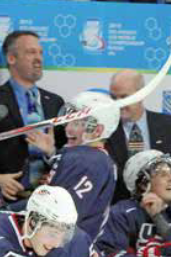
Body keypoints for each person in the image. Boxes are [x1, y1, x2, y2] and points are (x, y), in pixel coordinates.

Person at [0, 31, 65, 201]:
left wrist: (51, 154)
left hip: (48, 200)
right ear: (11, 58)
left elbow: (67, 152)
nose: (39, 58)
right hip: (3, 199)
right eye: (31, 52)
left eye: (40, 52)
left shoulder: (55, 102)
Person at [104, 69, 171, 205]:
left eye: (124, 97)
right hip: (120, 217)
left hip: (164, 213)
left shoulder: (169, 125)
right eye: (114, 98)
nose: (118, 103)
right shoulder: (104, 131)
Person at [44, 92, 120, 239]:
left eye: (77, 123)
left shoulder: (86, 159)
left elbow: (58, 217)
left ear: (97, 130)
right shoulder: (98, 158)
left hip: (61, 249)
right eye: (69, 121)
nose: (68, 129)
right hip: (74, 246)